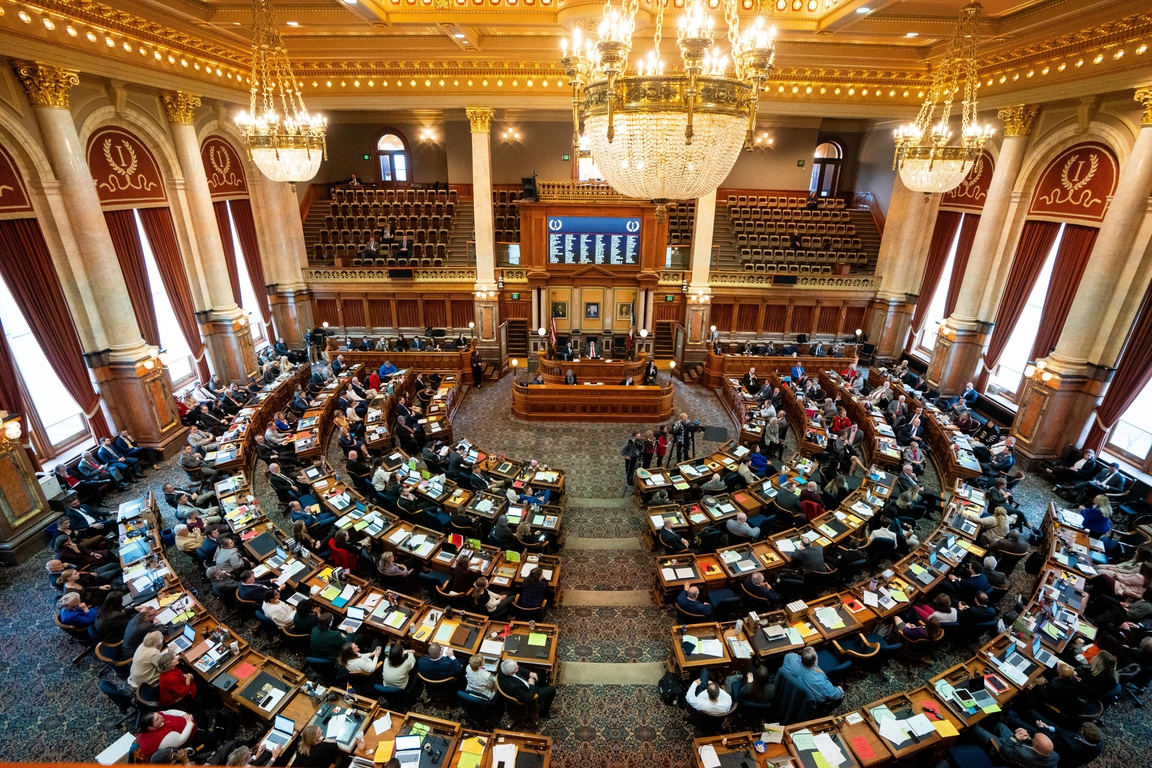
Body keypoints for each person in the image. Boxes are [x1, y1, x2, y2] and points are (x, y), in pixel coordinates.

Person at [970, 721, 1058, 768]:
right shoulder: (1055, 757)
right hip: (1018, 744)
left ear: (1037, 745)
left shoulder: (1024, 754)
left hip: (1006, 749)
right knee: (1000, 725)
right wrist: (1028, 739)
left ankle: (973, 730)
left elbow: (1004, 750)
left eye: (1034, 739)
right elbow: (1033, 744)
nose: (1032, 738)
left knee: (977, 729)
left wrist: (1015, 738)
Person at [778, 647, 843, 706]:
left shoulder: (789, 657)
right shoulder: (820, 680)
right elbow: (833, 695)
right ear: (815, 663)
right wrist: (839, 690)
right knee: (839, 697)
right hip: (809, 702)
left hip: (788, 690)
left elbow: (793, 656)